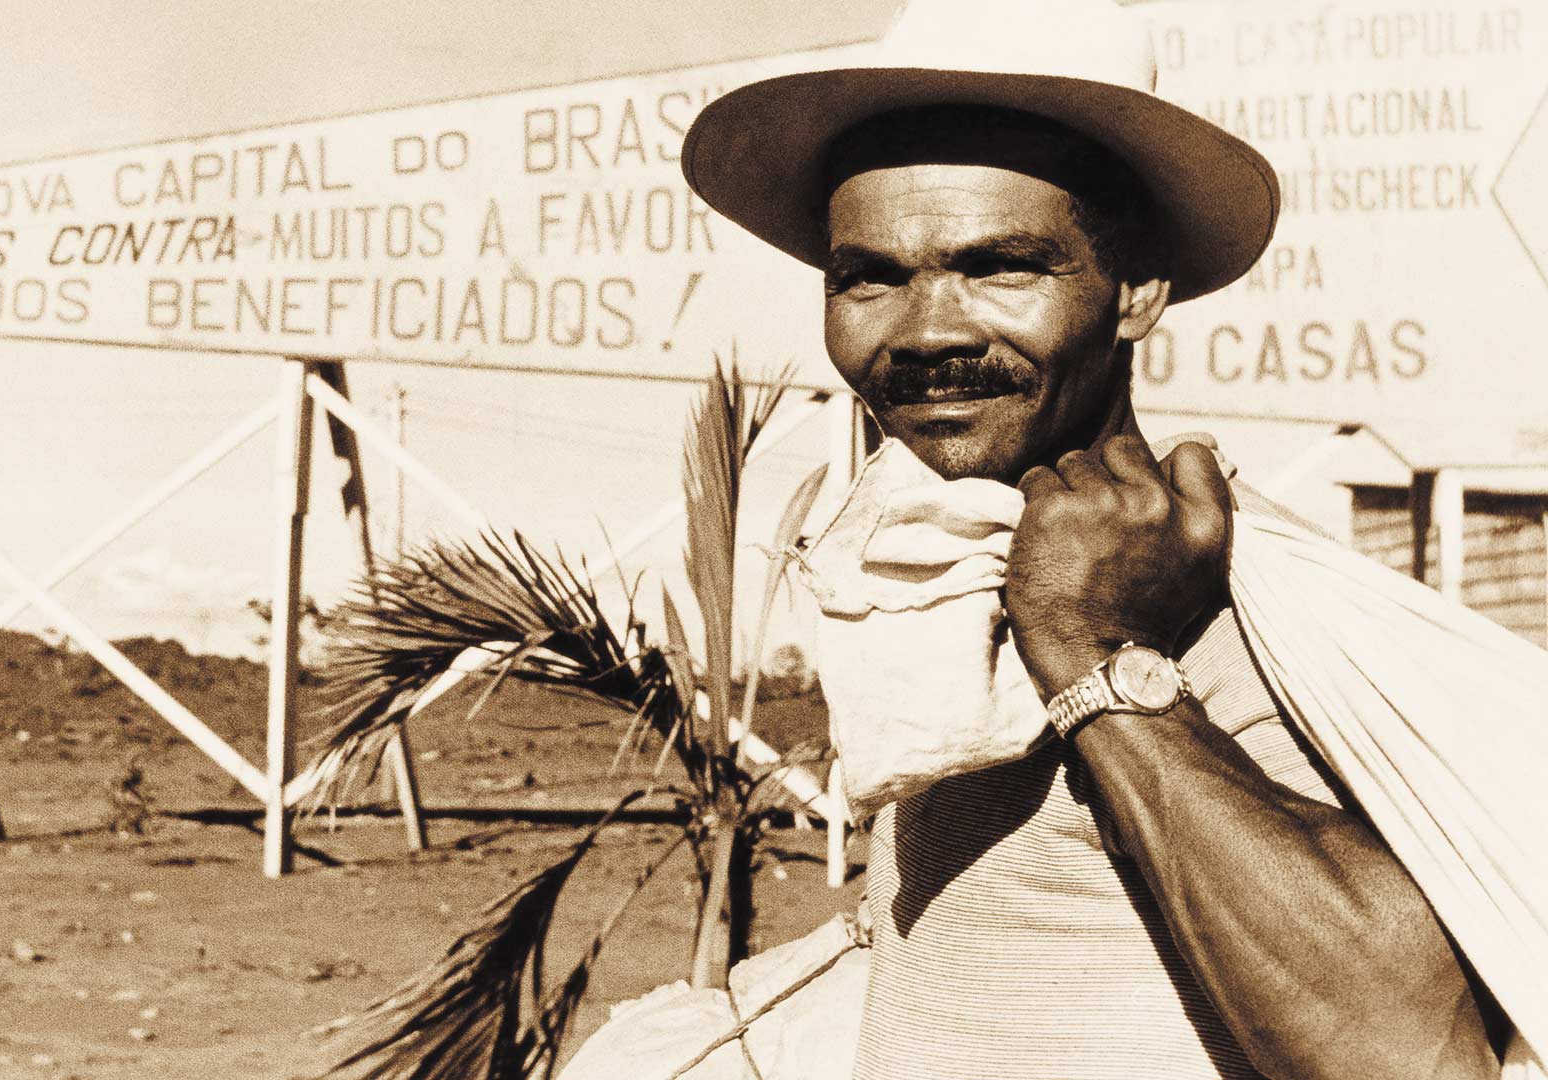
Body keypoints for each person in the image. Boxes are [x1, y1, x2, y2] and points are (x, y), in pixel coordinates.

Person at [570, 0, 1513, 1076]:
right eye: (868, 276)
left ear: (1137, 291)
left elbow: (1409, 1053)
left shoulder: (1243, 607)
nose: (925, 332)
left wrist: (1097, 657)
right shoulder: (938, 570)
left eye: (1002, 266)